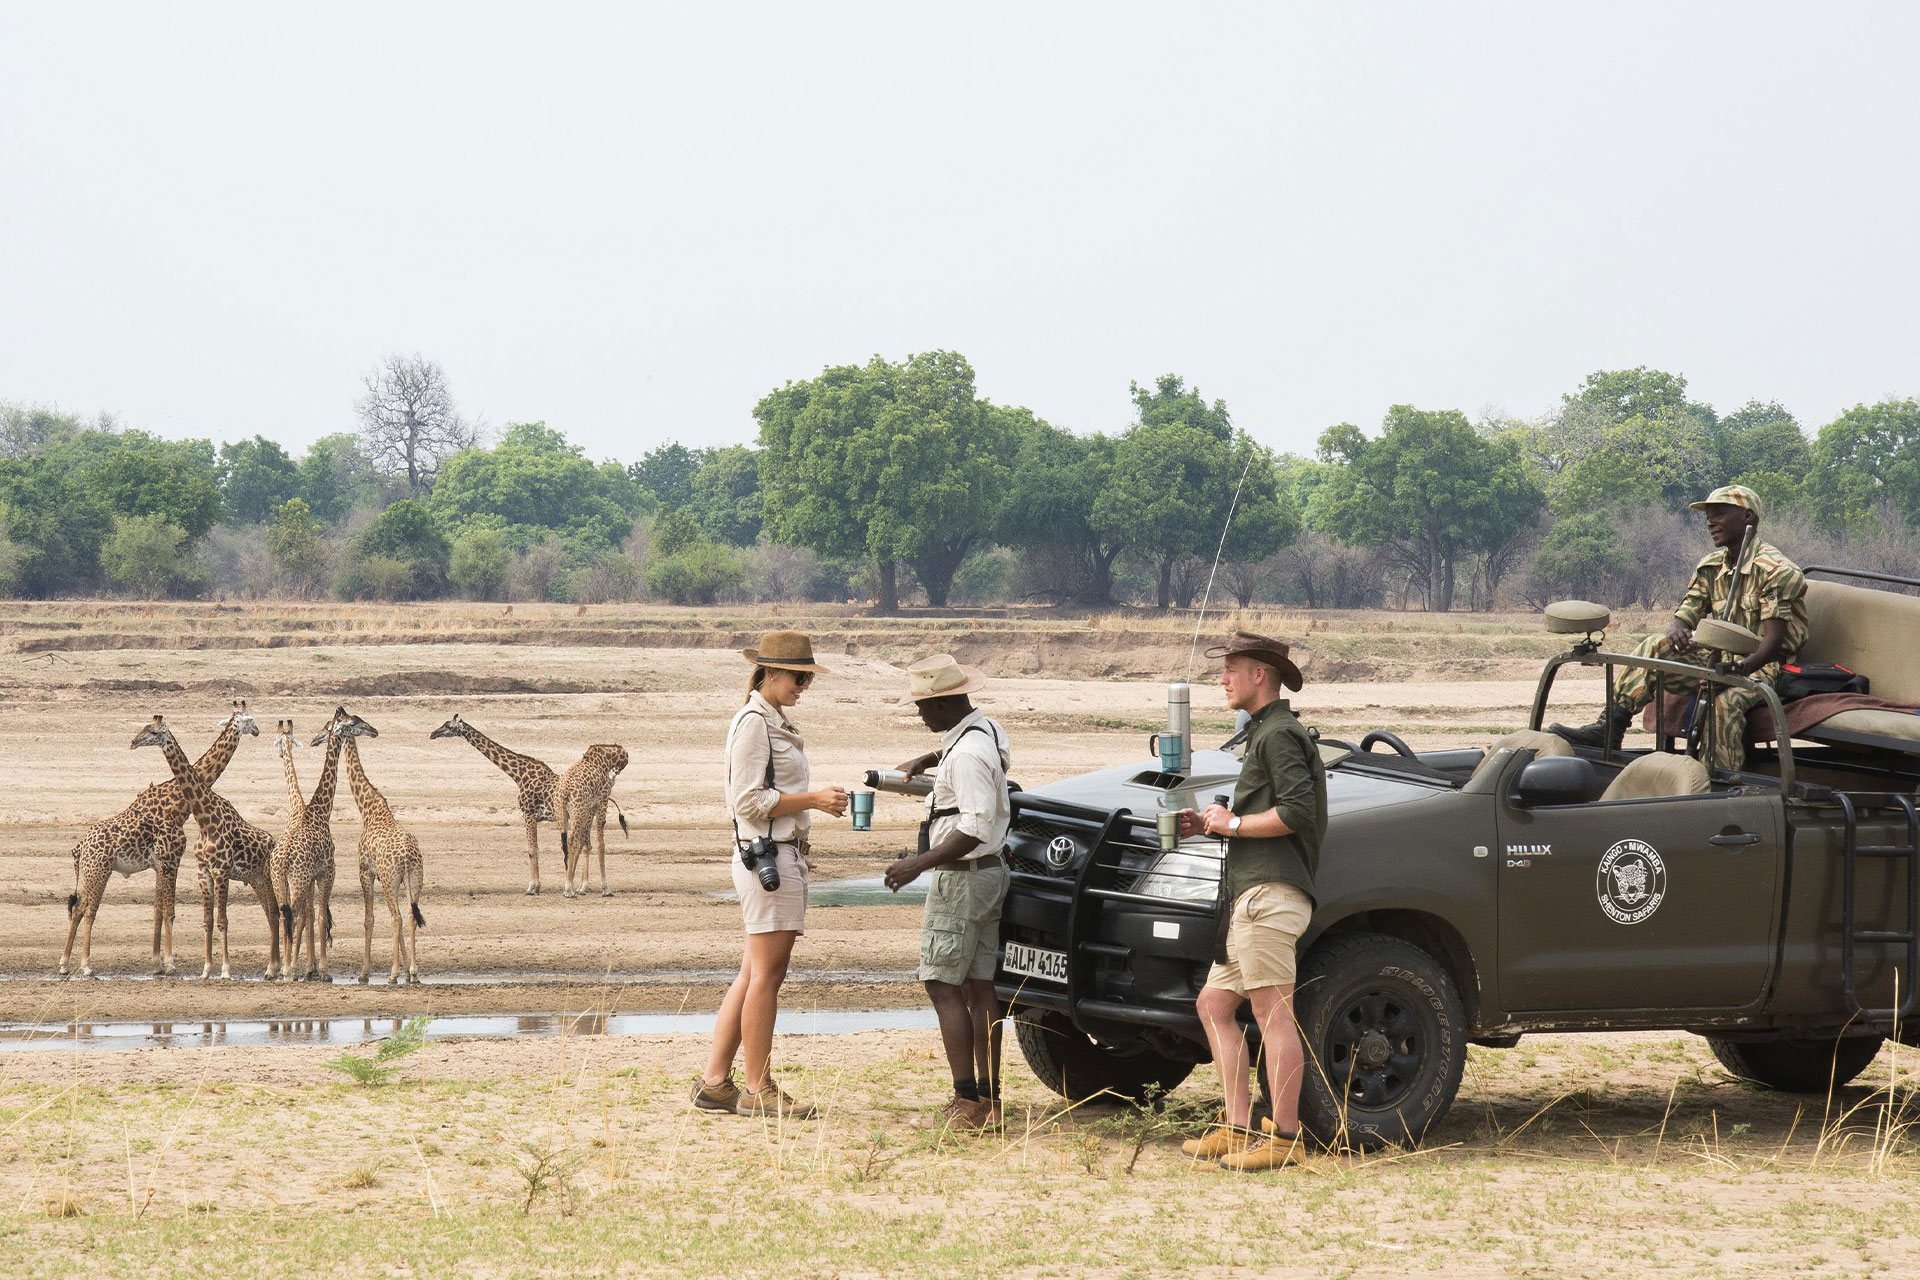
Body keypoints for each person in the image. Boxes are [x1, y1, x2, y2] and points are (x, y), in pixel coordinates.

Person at [1175, 631, 1325, 1172]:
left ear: (1261, 673)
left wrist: (1233, 823)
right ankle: (1238, 1127)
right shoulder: (1266, 732)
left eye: (1232, 668)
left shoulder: (1279, 734)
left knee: (1272, 1012)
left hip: (1270, 895)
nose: (1223, 678)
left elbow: (1298, 811)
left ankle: (1285, 1136)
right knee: (1214, 1005)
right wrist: (1213, 826)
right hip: (1250, 895)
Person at [692, 630, 847, 1118]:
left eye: (807, 678)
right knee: (767, 978)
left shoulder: (767, 719)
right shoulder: (754, 723)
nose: (804, 686)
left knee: (752, 974)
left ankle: (716, 1082)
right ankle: (757, 1089)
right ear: (772, 673)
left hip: (776, 855)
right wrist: (814, 802)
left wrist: (799, 840)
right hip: (767, 859)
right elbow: (748, 801)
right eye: (799, 677)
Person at [1549, 484, 1807, 771]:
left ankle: (1717, 783)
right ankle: (1609, 729)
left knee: (1721, 706)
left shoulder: (1777, 570)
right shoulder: (1711, 567)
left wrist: (1736, 672)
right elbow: (1686, 614)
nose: (1710, 522)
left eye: (1719, 514)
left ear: (1747, 517)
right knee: (1654, 646)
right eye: (1708, 516)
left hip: (1763, 665)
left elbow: (1771, 644)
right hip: (1719, 657)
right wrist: (1677, 631)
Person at [882, 654, 1012, 1131]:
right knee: (980, 987)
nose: (920, 716)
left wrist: (918, 862)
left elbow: (975, 827)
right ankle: (988, 1097)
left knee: (941, 983)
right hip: (988, 876)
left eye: (922, 707)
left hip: (962, 878)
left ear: (942, 705)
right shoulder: (988, 733)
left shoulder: (969, 756)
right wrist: (931, 756)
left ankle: (966, 1100)